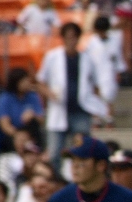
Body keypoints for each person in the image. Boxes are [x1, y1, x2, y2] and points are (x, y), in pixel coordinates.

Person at [35, 23, 108, 164]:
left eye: (74, 37)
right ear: (63, 38)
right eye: (68, 37)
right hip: (59, 107)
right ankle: (58, 183)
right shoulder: (52, 57)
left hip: (80, 110)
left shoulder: (87, 59)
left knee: (82, 151)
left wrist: (96, 106)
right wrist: (49, 94)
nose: (71, 41)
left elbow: (95, 84)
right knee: (55, 152)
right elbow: (40, 81)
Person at [0, 69, 44, 151]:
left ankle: (39, 152)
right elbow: (5, 125)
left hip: (31, 132)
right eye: (24, 81)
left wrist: (33, 115)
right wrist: (18, 134)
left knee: (34, 124)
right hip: (13, 134)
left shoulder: (33, 96)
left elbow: (41, 119)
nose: (27, 84)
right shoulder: (5, 99)